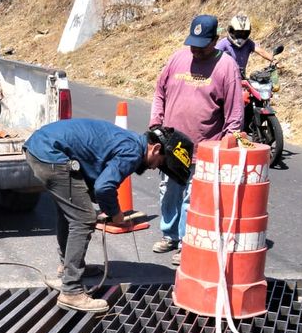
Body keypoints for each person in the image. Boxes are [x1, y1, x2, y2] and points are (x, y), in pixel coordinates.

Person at [24, 119, 194, 313]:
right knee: (83, 218)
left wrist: (105, 204)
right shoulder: (132, 153)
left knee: (73, 212)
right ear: (155, 148)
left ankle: (68, 267)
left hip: (41, 148)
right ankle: (71, 290)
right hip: (50, 154)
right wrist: (116, 214)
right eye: (161, 163)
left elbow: (97, 178)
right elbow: (104, 187)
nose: (155, 168)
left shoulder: (130, 142)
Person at [149, 14, 243, 266]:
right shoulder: (177, 59)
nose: (196, 50)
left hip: (204, 148)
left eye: (202, 45)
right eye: (193, 43)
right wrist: (155, 123)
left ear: (215, 40)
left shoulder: (226, 67)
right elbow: (160, 92)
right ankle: (169, 234)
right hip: (171, 146)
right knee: (169, 192)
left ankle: (185, 242)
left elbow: (234, 114)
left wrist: (227, 145)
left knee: (192, 197)